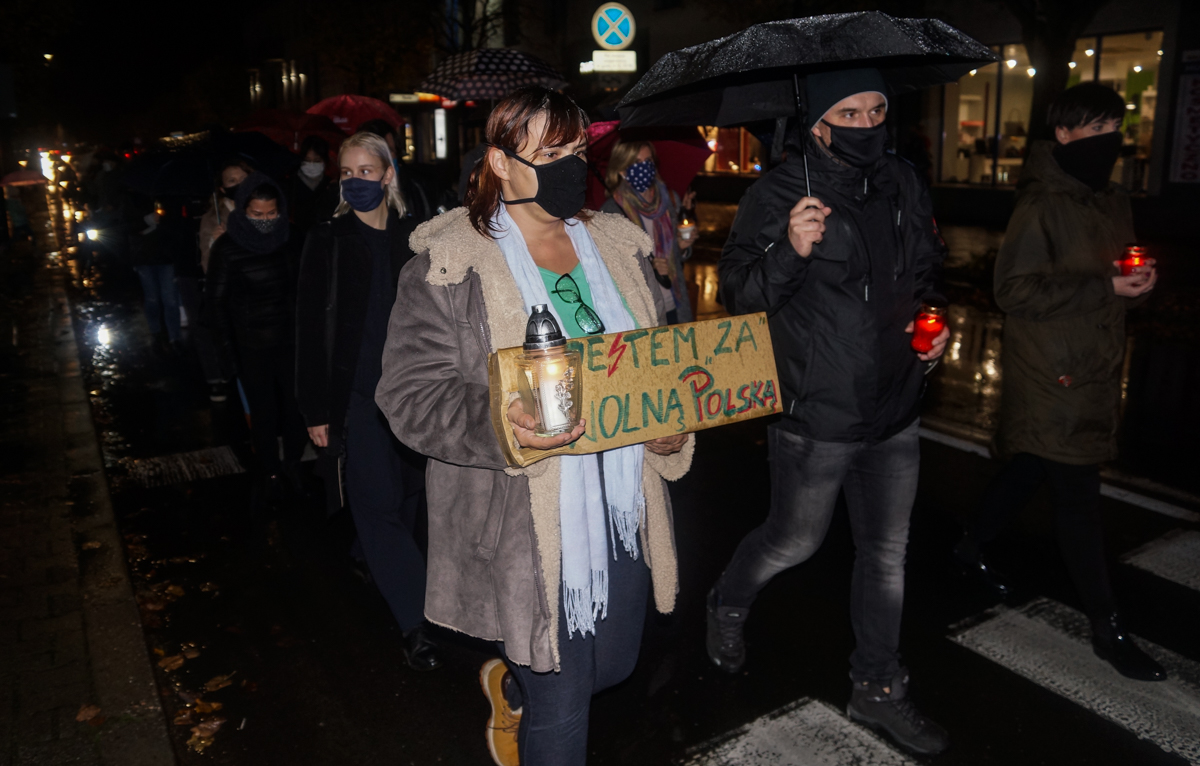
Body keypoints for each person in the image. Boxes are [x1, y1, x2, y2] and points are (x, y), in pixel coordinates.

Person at [374, 86, 693, 766]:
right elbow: (408, 395)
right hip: (522, 524)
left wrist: (669, 430)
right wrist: (503, 424)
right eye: (549, 154)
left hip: (621, 508)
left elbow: (652, 368)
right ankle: (533, 696)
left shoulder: (620, 247)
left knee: (613, 667)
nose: (570, 167)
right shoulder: (446, 266)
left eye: (578, 152)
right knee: (564, 700)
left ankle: (512, 685)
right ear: (500, 161)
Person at [709, 68, 950, 756]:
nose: (869, 123)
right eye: (851, 112)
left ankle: (877, 688)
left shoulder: (903, 181)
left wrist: (936, 328)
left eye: (878, 109)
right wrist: (791, 248)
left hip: (896, 406)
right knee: (794, 541)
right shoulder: (781, 192)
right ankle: (727, 601)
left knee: (886, 557)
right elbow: (738, 296)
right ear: (818, 124)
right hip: (818, 413)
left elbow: (928, 267)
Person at [953, 83, 1164, 682]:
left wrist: (1139, 284)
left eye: (1113, 130)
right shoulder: (1041, 204)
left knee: (1033, 465)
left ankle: (972, 544)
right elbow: (1012, 292)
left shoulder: (1111, 200)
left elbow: (1113, 276)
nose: (1107, 142)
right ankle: (1107, 628)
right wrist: (1106, 288)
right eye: (1093, 131)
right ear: (1063, 135)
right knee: (1077, 497)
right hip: (1051, 369)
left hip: (1092, 361)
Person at [294, 131, 439, 672]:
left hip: (414, 394)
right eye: (347, 173)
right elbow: (310, 328)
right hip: (357, 397)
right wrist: (316, 410)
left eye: (366, 171)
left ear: (388, 175)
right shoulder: (327, 240)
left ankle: (365, 555)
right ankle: (418, 622)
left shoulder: (415, 239)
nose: (356, 180)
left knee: (406, 496)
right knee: (380, 506)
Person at [205, 173, 306, 501]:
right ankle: (270, 470)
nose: (265, 221)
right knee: (263, 413)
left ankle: (292, 462)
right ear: (243, 210)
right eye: (257, 215)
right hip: (252, 345)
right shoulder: (227, 247)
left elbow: (307, 291)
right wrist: (227, 355)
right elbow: (215, 305)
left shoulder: (293, 239)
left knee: (295, 408)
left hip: (290, 341)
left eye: (271, 214)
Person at [600, 140, 695, 324]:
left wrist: (682, 248)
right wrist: (648, 268)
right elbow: (611, 270)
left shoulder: (670, 199)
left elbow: (675, 258)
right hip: (644, 312)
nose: (644, 167)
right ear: (621, 169)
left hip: (676, 305)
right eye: (636, 163)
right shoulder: (612, 211)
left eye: (648, 161)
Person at [128, 198, 183, 353]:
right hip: (144, 257)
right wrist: (146, 221)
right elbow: (127, 225)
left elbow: (178, 225)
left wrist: (164, 222)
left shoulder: (168, 197)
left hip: (166, 257)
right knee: (152, 298)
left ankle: (175, 338)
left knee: (170, 300)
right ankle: (156, 333)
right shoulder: (132, 199)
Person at [355, 119, 433, 222]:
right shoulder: (347, 192)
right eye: (378, 152)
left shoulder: (421, 188)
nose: (386, 158)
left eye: (390, 151)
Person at [198, 159, 252, 274]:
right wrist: (215, 243)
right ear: (222, 189)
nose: (239, 184)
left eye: (243, 179)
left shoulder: (264, 210)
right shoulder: (212, 219)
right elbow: (207, 267)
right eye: (232, 181)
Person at [287, 136, 340, 236]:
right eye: (307, 160)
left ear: (324, 161)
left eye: (317, 161)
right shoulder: (290, 184)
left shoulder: (330, 185)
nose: (311, 164)